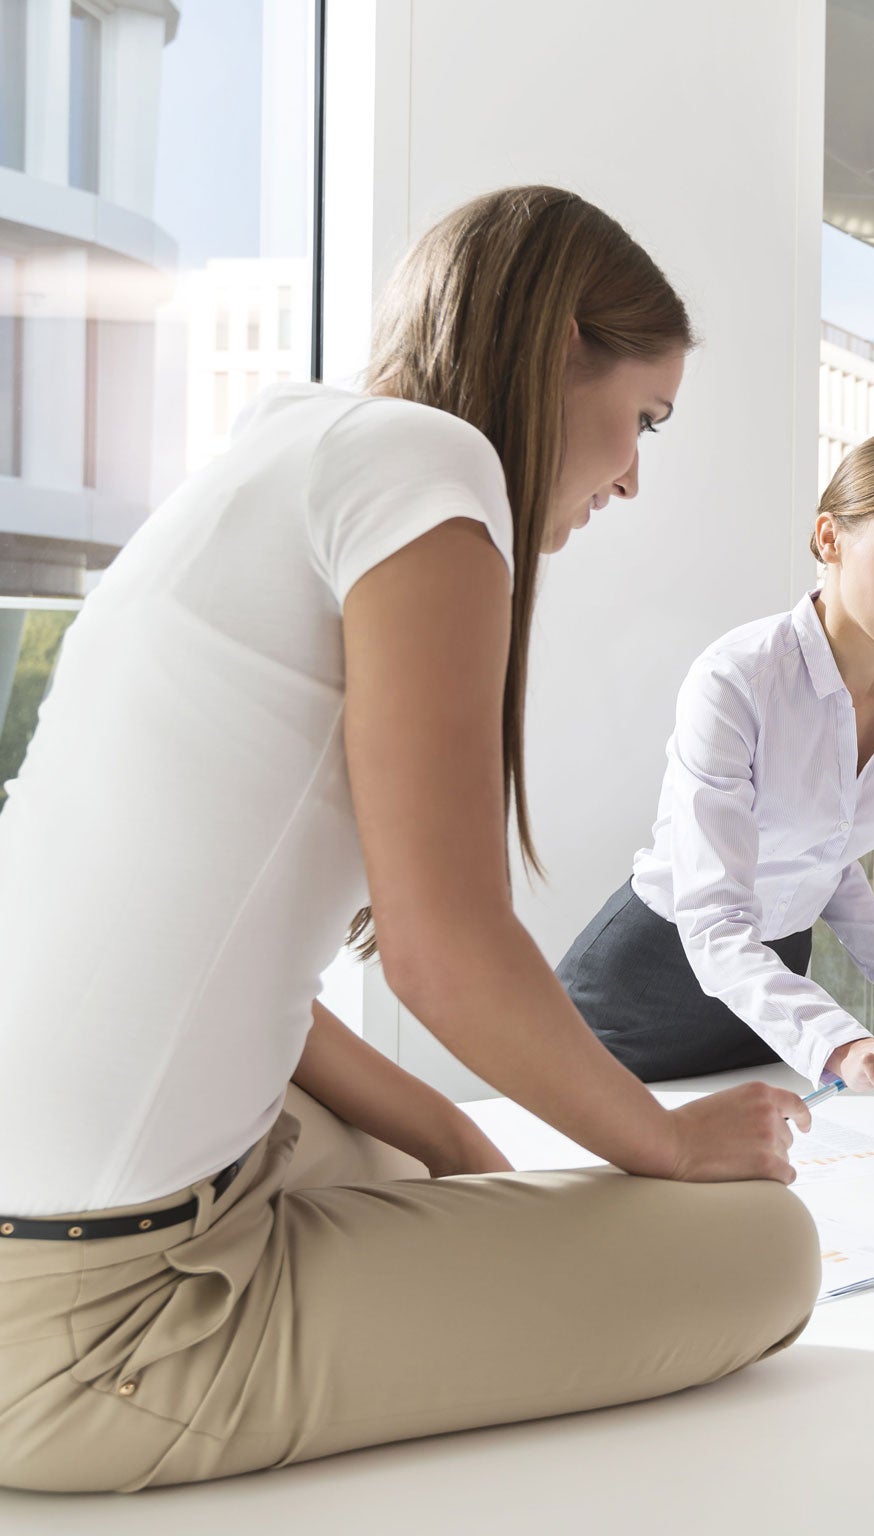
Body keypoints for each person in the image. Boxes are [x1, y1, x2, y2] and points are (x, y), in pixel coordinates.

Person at [0, 187, 821, 1493]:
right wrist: (662, 1146)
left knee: (402, 1158)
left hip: (63, 1214)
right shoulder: (432, 470)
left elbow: (216, 973)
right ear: (559, 349)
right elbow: (445, 952)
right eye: (642, 420)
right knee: (770, 1252)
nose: (634, 474)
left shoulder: (291, 444)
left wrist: (455, 1139)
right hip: (96, 1333)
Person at [557, 430, 874, 1110]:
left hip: (770, 1000)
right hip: (647, 987)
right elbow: (712, 922)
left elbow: (827, 860)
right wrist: (840, 1044)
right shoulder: (737, 678)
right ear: (829, 538)